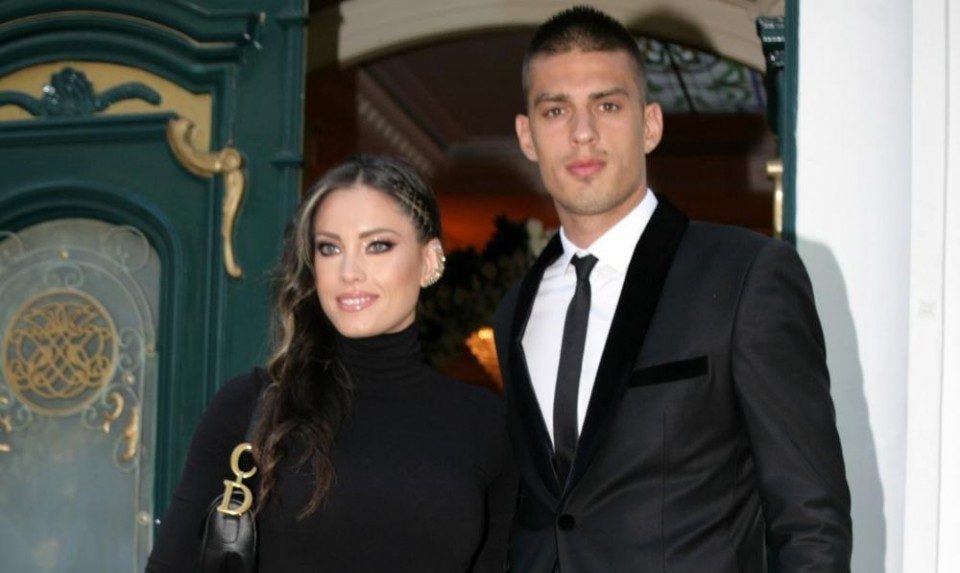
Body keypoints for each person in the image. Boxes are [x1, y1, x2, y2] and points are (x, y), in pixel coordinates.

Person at [493, 6, 852, 572]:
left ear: (651, 125)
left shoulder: (746, 275)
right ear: (527, 136)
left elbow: (811, 522)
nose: (582, 133)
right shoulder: (516, 309)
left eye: (607, 106)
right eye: (556, 110)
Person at [147, 155, 516, 572]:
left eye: (377, 245)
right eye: (330, 248)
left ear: (429, 260)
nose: (348, 271)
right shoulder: (249, 407)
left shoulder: (483, 424)